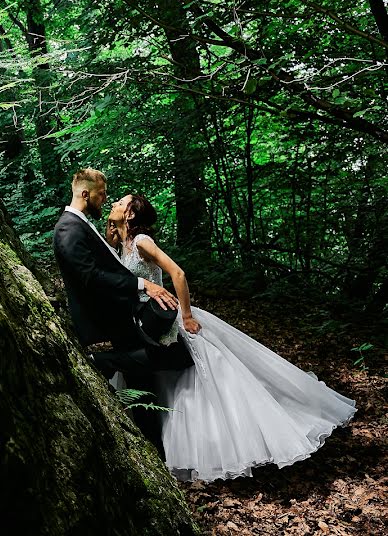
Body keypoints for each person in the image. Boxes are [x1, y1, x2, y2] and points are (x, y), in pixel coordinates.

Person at [107, 193, 357, 481]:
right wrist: (113, 226)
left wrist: (186, 316)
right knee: (170, 383)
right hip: (146, 324)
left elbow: (178, 273)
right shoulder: (123, 243)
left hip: (166, 319)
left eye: (121, 202)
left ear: (131, 214)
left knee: (202, 379)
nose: (115, 203)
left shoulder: (141, 243)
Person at [52, 168, 189, 454]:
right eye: (102, 194)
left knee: (148, 386)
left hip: (135, 321)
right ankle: (154, 451)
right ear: (85, 193)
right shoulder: (68, 228)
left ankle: (156, 453)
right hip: (118, 321)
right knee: (146, 387)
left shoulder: (87, 225)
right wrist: (143, 284)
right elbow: (89, 276)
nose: (106, 199)